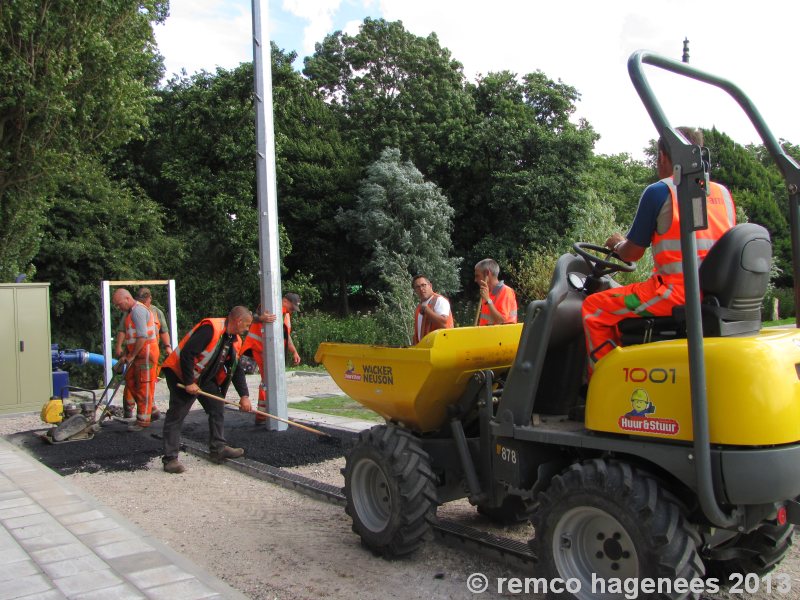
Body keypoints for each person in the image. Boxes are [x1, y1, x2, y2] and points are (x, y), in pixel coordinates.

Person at [581, 127, 736, 375]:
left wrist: (617, 244)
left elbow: (631, 254)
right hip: (717, 292)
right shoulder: (723, 194)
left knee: (595, 308)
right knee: (619, 302)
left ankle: (606, 384)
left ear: (663, 157)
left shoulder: (660, 191)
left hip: (675, 293)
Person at [160, 306, 253, 474]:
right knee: (177, 414)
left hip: (202, 376)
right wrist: (189, 382)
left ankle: (218, 449)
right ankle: (170, 459)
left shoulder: (233, 339)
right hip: (180, 373)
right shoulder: (210, 329)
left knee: (216, 406)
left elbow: (236, 369)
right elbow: (187, 354)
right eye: (246, 326)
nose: (247, 330)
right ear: (238, 321)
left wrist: (244, 396)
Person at [241, 293, 302, 423]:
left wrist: (294, 352)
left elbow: (286, 336)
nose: (292, 311)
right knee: (268, 381)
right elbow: (251, 318)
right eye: (292, 308)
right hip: (260, 348)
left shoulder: (285, 314)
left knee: (270, 381)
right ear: (285, 301)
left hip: (270, 351)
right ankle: (264, 415)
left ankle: (269, 413)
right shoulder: (270, 306)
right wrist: (262, 318)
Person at [114, 287, 172, 419]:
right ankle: (148, 410)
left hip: (146, 354)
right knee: (132, 381)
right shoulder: (130, 312)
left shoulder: (143, 311)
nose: (118, 307)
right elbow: (125, 331)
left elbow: (157, 333)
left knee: (145, 385)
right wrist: (122, 350)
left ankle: (143, 419)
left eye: (119, 304)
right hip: (139, 353)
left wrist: (168, 346)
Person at [474, 258, 518, 325]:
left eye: (477, 276)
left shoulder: (506, 291)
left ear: (487, 273)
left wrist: (488, 300)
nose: (475, 280)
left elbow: (501, 320)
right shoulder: (487, 292)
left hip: (502, 335)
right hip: (487, 334)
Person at [411, 275, 454, 344]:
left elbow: (443, 324)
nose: (421, 289)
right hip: (424, 348)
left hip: (441, 347)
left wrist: (427, 310)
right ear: (415, 291)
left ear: (430, 286)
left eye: (423, 285)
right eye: (417, 287)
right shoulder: (419, 306)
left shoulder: (439, 300)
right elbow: (418, 332)